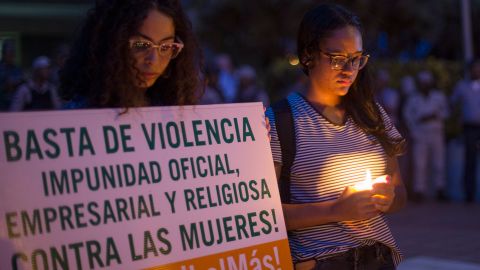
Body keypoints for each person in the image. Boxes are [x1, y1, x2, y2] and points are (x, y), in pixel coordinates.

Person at [266, 4, 407, 269]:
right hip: (322, 261)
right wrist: (336, 210)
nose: (349, 70)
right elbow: (265, 215)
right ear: (308, 55)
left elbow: (401, 193)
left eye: (356, 58)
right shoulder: (280, 120)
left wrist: (388, 199)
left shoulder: (371, 113)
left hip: (377, 258)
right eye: (337, 58)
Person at [60, 0, 202, 109]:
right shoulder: (80, 115)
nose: (153, 60)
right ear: (111, 45)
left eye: (165, 47)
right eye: (141, 45)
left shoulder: (171, 108)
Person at [403, 70, 449, 202]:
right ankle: (419, 190)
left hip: (436, 133)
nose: (425, 85)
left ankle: (440, 189)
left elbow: (446, 112)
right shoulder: (413, 98)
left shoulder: (439, 96)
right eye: (423, 83)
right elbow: (407, 116)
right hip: (420, 134)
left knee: (438, 163)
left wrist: (434, 116)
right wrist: (415, 128)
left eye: (427, 83)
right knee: (420, 163)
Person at [451, 59, 480, 203]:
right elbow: (453, 104)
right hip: (470, 127)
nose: (477, 71)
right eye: (474, 68)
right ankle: (469, 194)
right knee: (470, 160)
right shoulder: (462, 86)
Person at [0, 39, 24, 111]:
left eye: (13, 53)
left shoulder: (17, 69)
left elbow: (22, 83)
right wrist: (5, 85)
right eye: (9, 53)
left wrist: (17, 82)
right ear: (4, 53)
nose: (11, 55)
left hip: (15, 102)